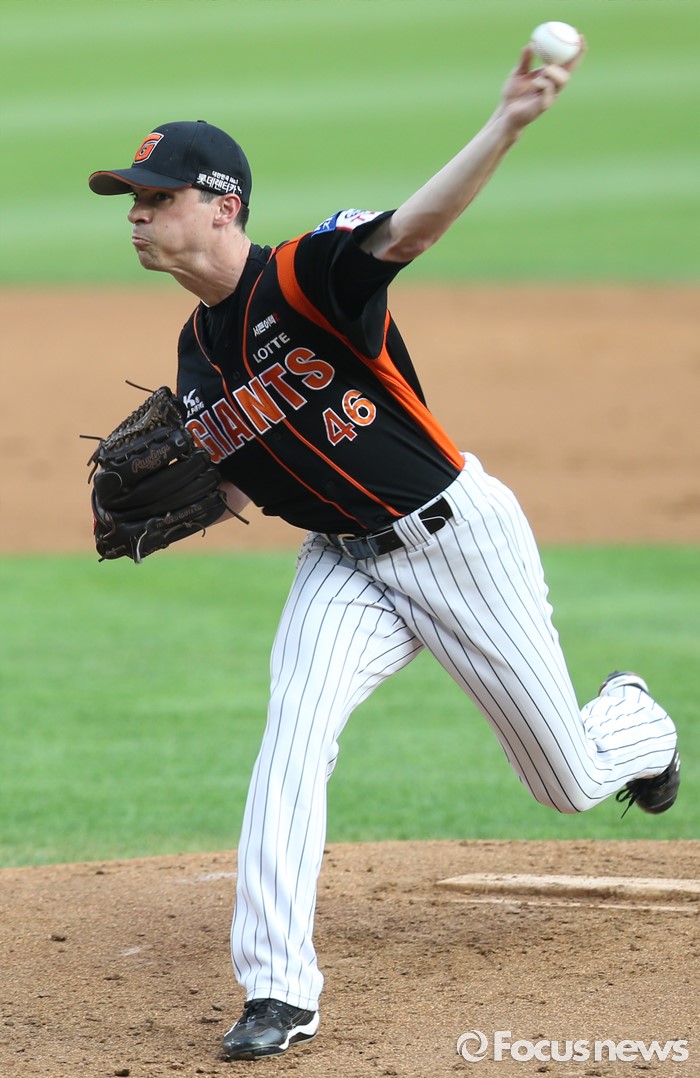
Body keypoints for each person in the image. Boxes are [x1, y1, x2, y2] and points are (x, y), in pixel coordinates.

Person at [88, 41, 680, 1062]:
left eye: (157, 196)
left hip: (457, 541)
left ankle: (636, 719)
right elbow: (248, 475)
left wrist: (508, 121)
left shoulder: (308, 275)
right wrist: (191, 499)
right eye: (132, 199)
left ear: (222, 207)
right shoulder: (196, 352)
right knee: (293, 734)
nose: (137, 214)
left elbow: (415, 227)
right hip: (343, 563)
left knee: (568, 780)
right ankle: (279, 991)